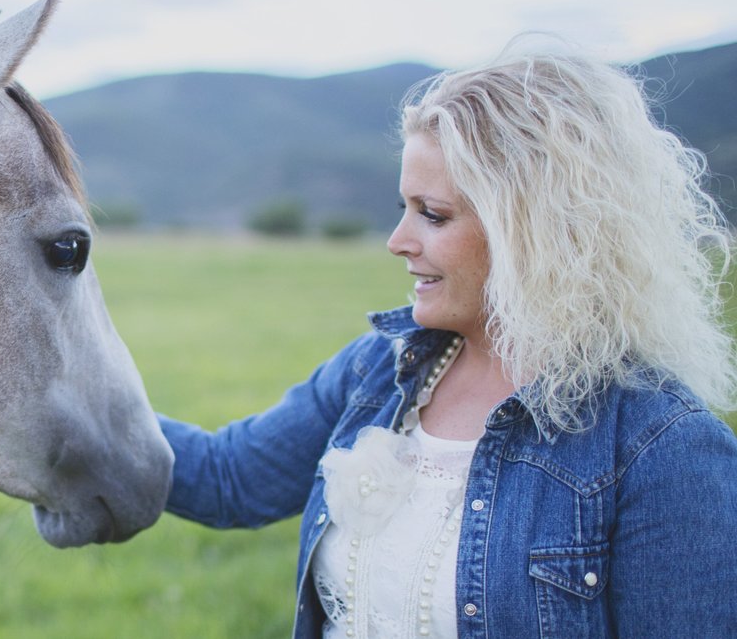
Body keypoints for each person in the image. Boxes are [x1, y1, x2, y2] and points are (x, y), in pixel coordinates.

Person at [158, 35, 737, 638]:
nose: (398, 240)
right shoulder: (379, 369)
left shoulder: (663, 448)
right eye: (404, 208)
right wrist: (55, 404)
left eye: (432, 214)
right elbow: (228, 479)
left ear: (535, 231)